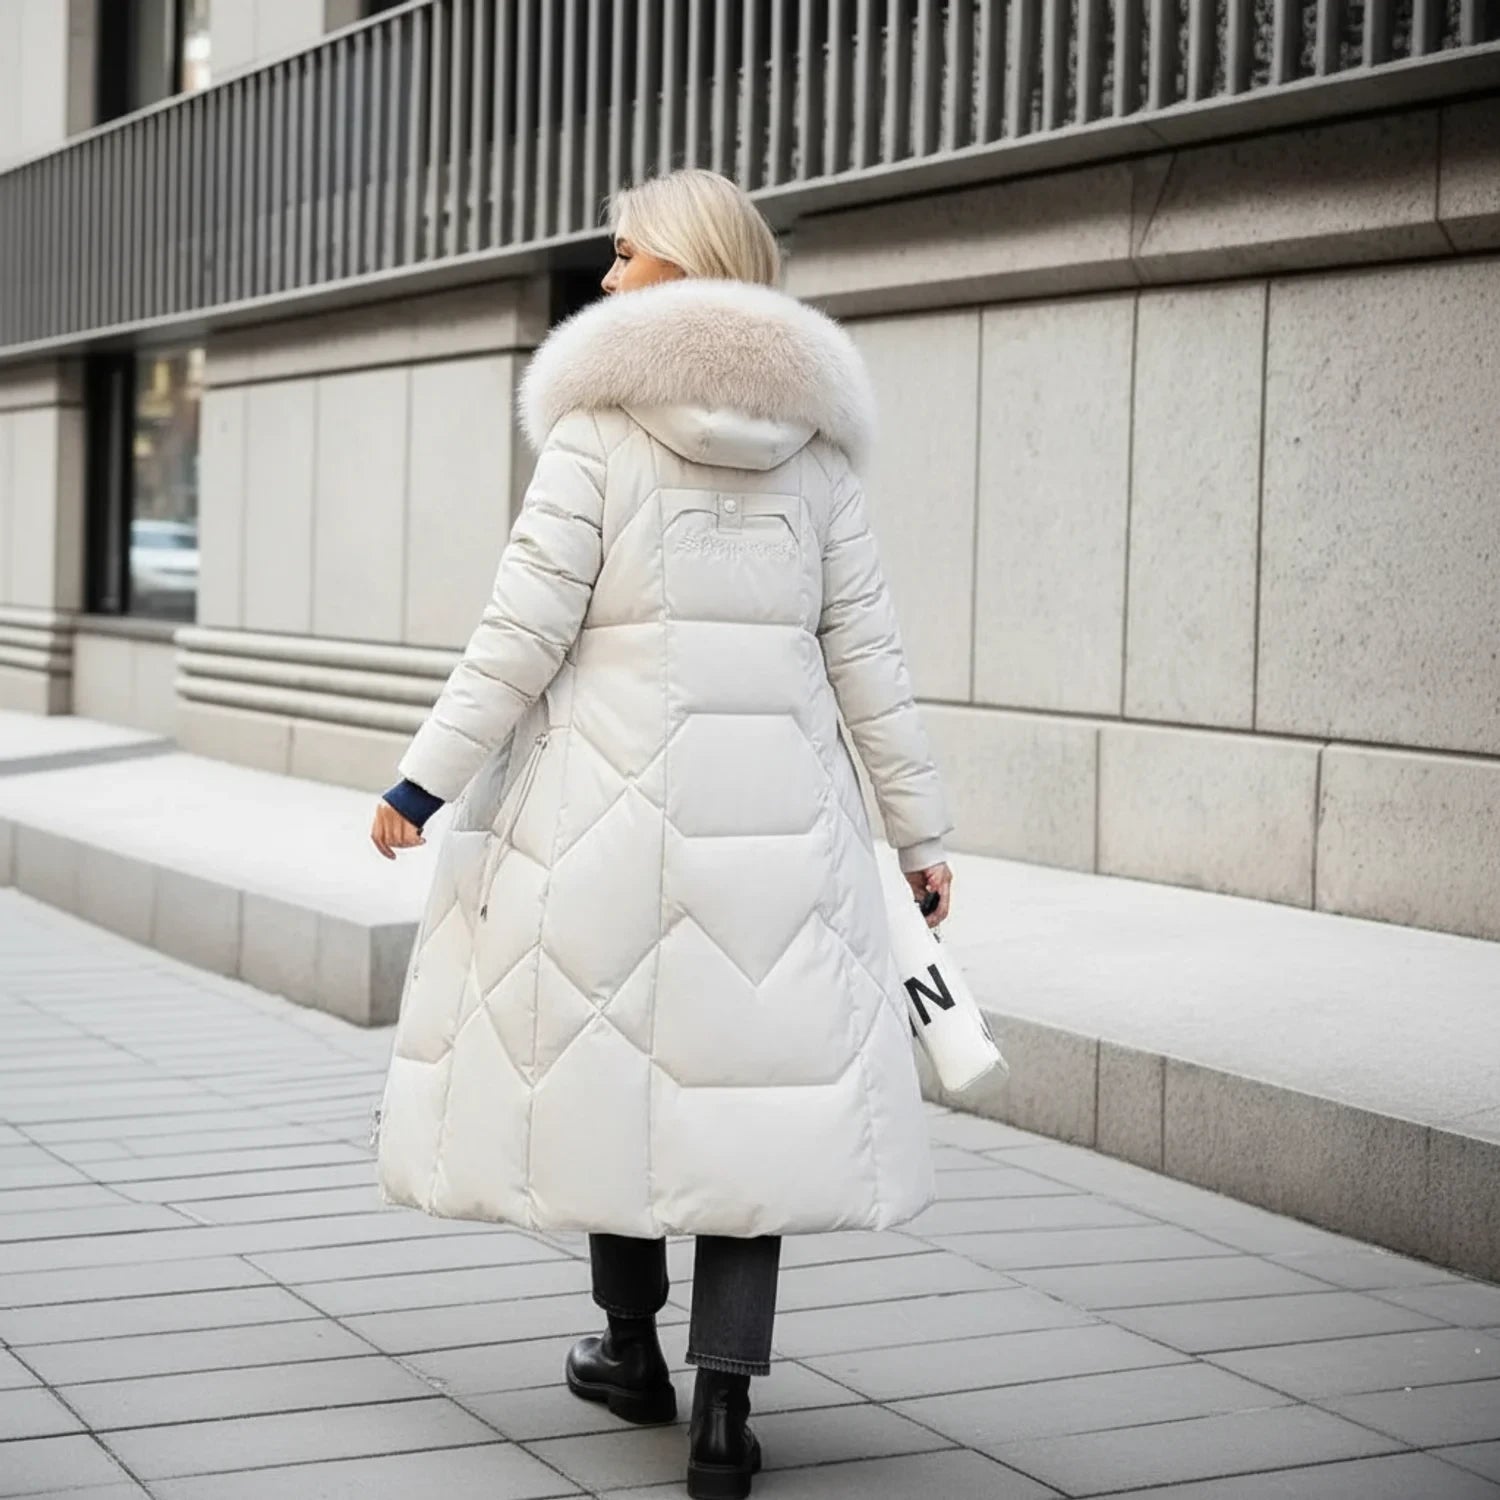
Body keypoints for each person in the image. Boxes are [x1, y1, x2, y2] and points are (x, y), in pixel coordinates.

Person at [369, 167, 953, 1500]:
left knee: (616, 1077)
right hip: (784, 828)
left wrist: (420, 784)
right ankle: (726, 1416)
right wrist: (918, 830)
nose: (606, 276)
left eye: (626, 253)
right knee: (749, 1106)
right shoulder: (815, 452)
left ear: (683, 271)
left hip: (605, 818)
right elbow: (871, 655)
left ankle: (631, 1353)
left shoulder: (596, 436)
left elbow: (521, 634)